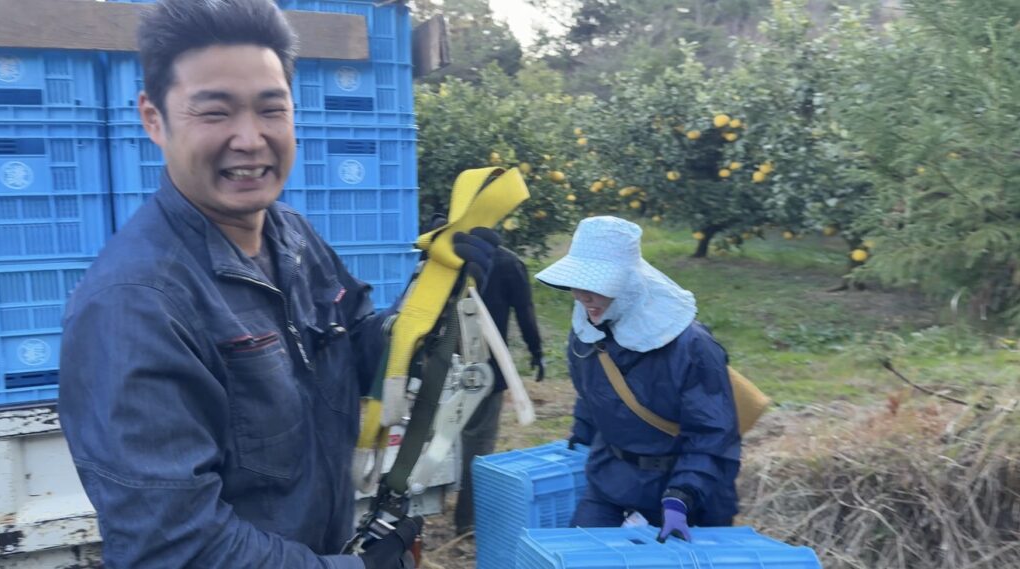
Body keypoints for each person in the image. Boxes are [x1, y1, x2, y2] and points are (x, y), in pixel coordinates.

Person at [57, 1, 494, 567]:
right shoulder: (135, 305)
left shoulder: (291, 236)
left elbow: (356, 347)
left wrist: (433, 301)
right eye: (215, 112)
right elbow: (174, 545)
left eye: (271, 109)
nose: (250, 138)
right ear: (153, 118)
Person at [534, 216, 740, 542]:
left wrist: (682, 495)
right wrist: (581, 435)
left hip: (682, 489)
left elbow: (712, 433)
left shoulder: (692, 347)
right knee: (582, 554)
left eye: (596, 285)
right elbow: (593, 395)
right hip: (612, 477)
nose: (582, 296)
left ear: (628, 284)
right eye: (577, 283)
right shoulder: (587, 335)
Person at [454, 238, 544, 536]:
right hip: (483, 371)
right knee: (479, 444)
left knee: (449, 439)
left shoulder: (445, 254)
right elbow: (525, 310)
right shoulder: (506, 262)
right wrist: (536, 351)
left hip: (442, 366)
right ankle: (468, 520)